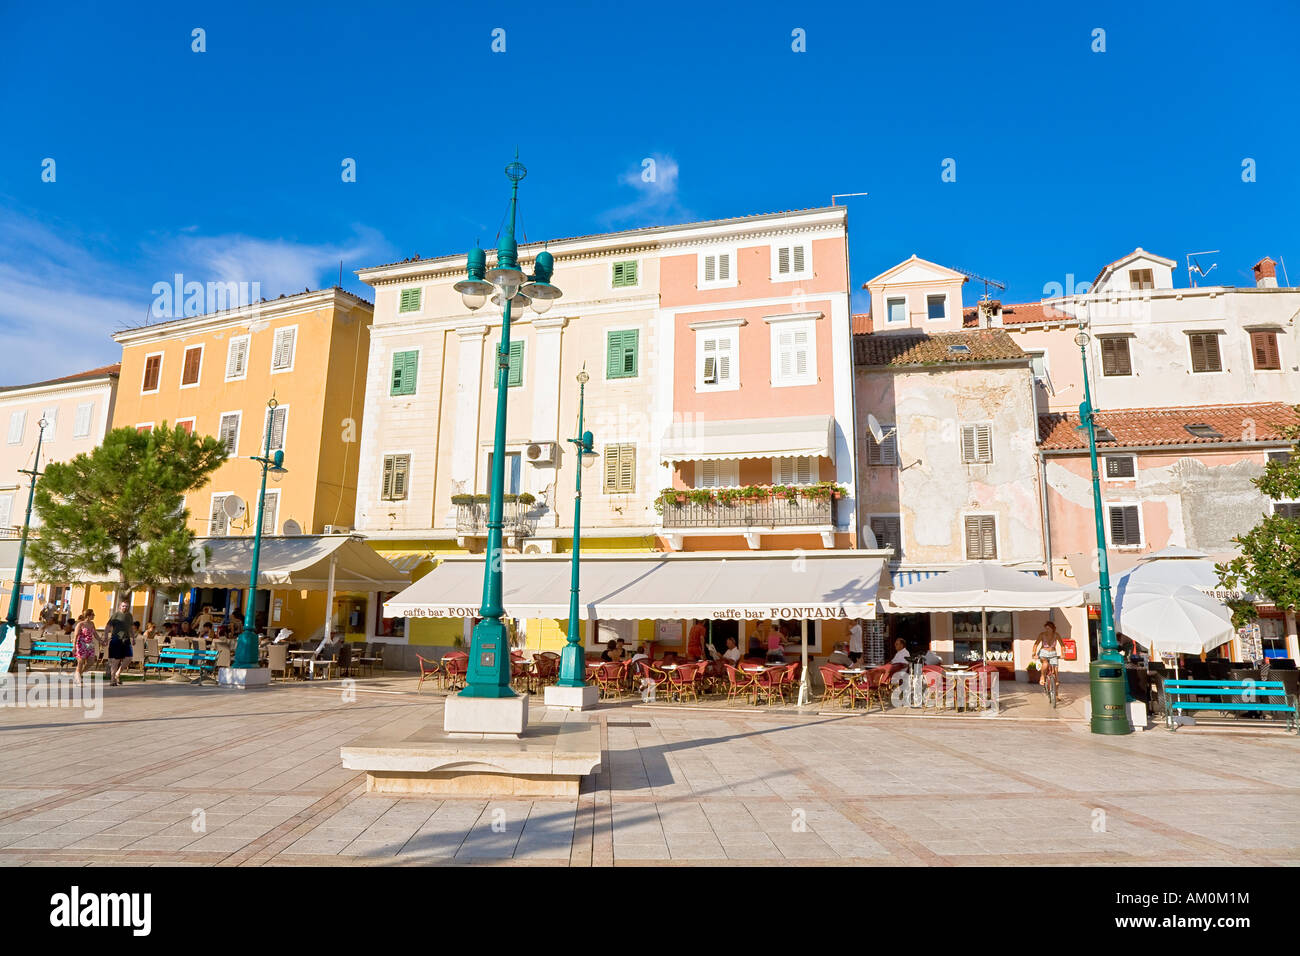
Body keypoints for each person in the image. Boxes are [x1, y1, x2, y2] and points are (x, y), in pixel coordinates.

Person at [104, 600, 134, 686]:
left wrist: (133, 637)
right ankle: (112, 679)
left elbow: (131, 627)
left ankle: (118, 673)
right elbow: (108, 626)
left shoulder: (129, 616)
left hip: (126, 639)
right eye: (123, 606)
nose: (125, 607)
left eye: (127, 606)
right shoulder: (116, 615)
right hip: (116, 639)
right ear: (120, 607)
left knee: (129, 658)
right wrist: (106, 637)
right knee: (115, 660)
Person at [1031, 621, 1063, 692]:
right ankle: (1042, 676)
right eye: (1046, 628)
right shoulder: (1042, 635)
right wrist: (1034, 653)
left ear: (1052, 628)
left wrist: (1063, 654)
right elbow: (1036, 644)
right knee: (1045, 663)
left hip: (1053, 653)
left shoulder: (1056, 635)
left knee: (1056, 671)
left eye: (1048, 628)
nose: (1047, 630)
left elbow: (1062, 645)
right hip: (1043, 652)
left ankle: (1056, 693)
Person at [73, 609, 99, 686]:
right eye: (93, 614)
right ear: (88, 616)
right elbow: (76, 636)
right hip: (81, 644)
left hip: (90, 645)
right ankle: (78, 680)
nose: (94, 616)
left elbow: (95, 634)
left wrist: (101, 640)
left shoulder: (92, 624)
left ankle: (79, 674)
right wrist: (74, 646)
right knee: (80, 662)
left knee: (91, 662)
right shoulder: (80, 624)